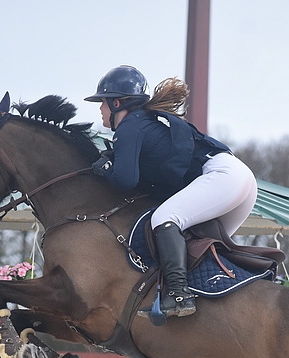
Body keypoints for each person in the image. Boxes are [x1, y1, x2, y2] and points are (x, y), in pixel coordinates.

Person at [85, 65, 258, 319]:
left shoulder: (130, 127)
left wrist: (104, 169)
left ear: (117, 102)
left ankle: (178, 295)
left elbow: (124, 179)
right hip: (240, 180)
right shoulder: (144, 123)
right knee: (199, 247)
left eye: (102, 102)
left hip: (222, 175)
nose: (100, 108)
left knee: (164, 218)